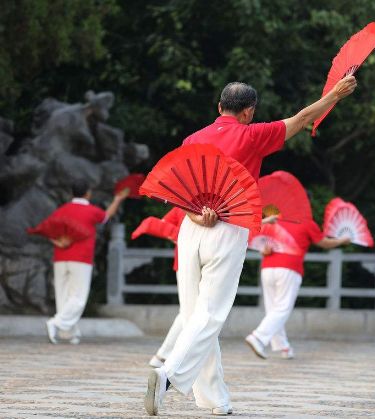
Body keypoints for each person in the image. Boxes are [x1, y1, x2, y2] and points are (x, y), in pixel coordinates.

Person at [145, 75, 357, 416]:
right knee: (211, 314)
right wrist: (335, 94)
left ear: (219, 107)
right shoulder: (252, 134)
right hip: (227, 227)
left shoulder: (191, 139)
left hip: (190, 227)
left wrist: (198, 217)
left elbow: (177, 187)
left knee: (194, 314)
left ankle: (216, 399)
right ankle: (168, 376)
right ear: (249, 111)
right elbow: (302, 119)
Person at [244, 213, 349, 360]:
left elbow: (259, 242)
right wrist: (341, 241)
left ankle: (283, 347)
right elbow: (323, 243)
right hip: (289, 268)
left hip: (267, 268)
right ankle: (258, 337)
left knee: (273, 309)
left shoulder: (273, 219)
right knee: (282, 308)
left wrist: (263, 250)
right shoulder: (306, 221)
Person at [46, 179, 129, 344]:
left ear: (72, 193)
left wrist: (59, 242)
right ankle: (56, 323)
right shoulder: (90, 211)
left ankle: (67, 334)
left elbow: (48, 230)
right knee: (78, 297)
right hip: (81, 259)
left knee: (64, 296)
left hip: (61, 258)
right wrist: (118, 200)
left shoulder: (62, 210)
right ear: (87, 193)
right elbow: (106, 216)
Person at [148, 207, 185, 368]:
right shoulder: (181, 208)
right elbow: (163, 226)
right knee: (189, 311)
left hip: (190, 261)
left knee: (195, 311)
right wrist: (179, 237)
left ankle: (165, 355)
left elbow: (163, 225)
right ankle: (163, 355)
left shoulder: (180, 207)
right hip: (187, 261)